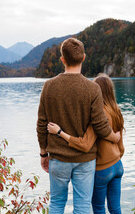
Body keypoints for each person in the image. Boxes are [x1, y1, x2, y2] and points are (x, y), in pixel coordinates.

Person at [36, 38, 121, 214]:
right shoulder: (92, 89)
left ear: (62, 59)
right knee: (82, 207)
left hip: (58, 158)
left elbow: (41, 124)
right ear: (83, 58)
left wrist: (43, 153)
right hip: (85, 160)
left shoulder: (48, 86)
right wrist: (115, 137)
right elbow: (100, 125)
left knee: (56, 204)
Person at [48, 73, 125, 214]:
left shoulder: (99, 114)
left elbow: (85, 144)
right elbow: (120, 143)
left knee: (98, 208)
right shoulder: (116, 110)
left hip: (103, 169)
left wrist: (60, 132)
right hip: (118, 165)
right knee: (115, 208)